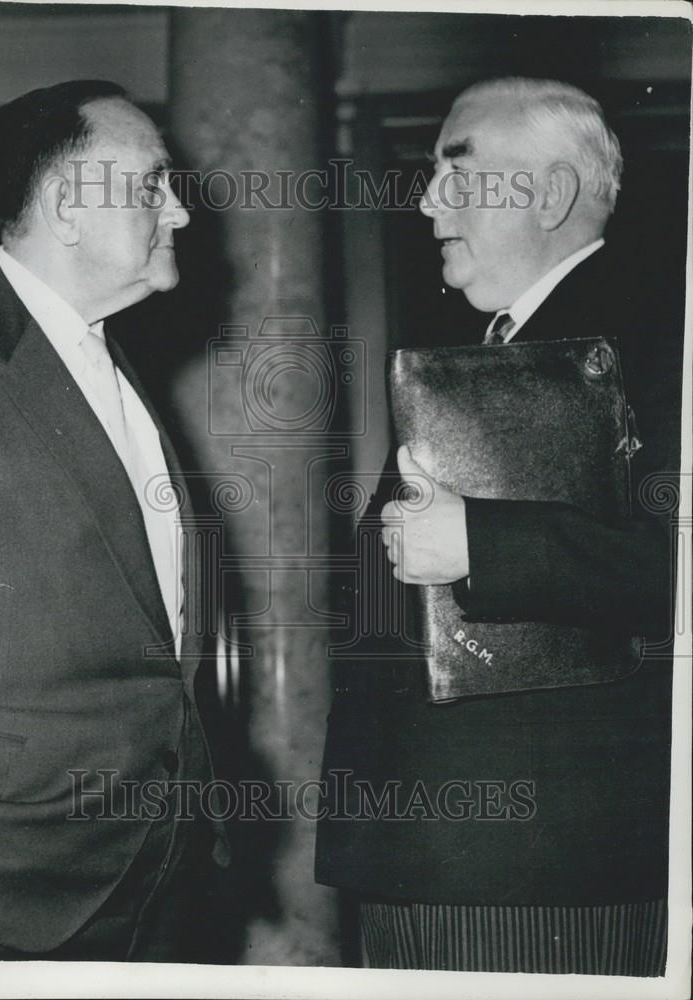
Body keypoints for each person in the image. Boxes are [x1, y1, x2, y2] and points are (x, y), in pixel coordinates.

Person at [316, 77, 682, 975]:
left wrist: (481, 544)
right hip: (437, 851)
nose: (426, 199)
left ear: (550, 194)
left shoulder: (664, 341)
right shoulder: (494, 341)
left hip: (539, 869)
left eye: (458, 171)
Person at [0, 80, 226, 961]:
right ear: (67, 206)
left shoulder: (107, 363)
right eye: (153, 182)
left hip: (146, 871)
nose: (180, 212)